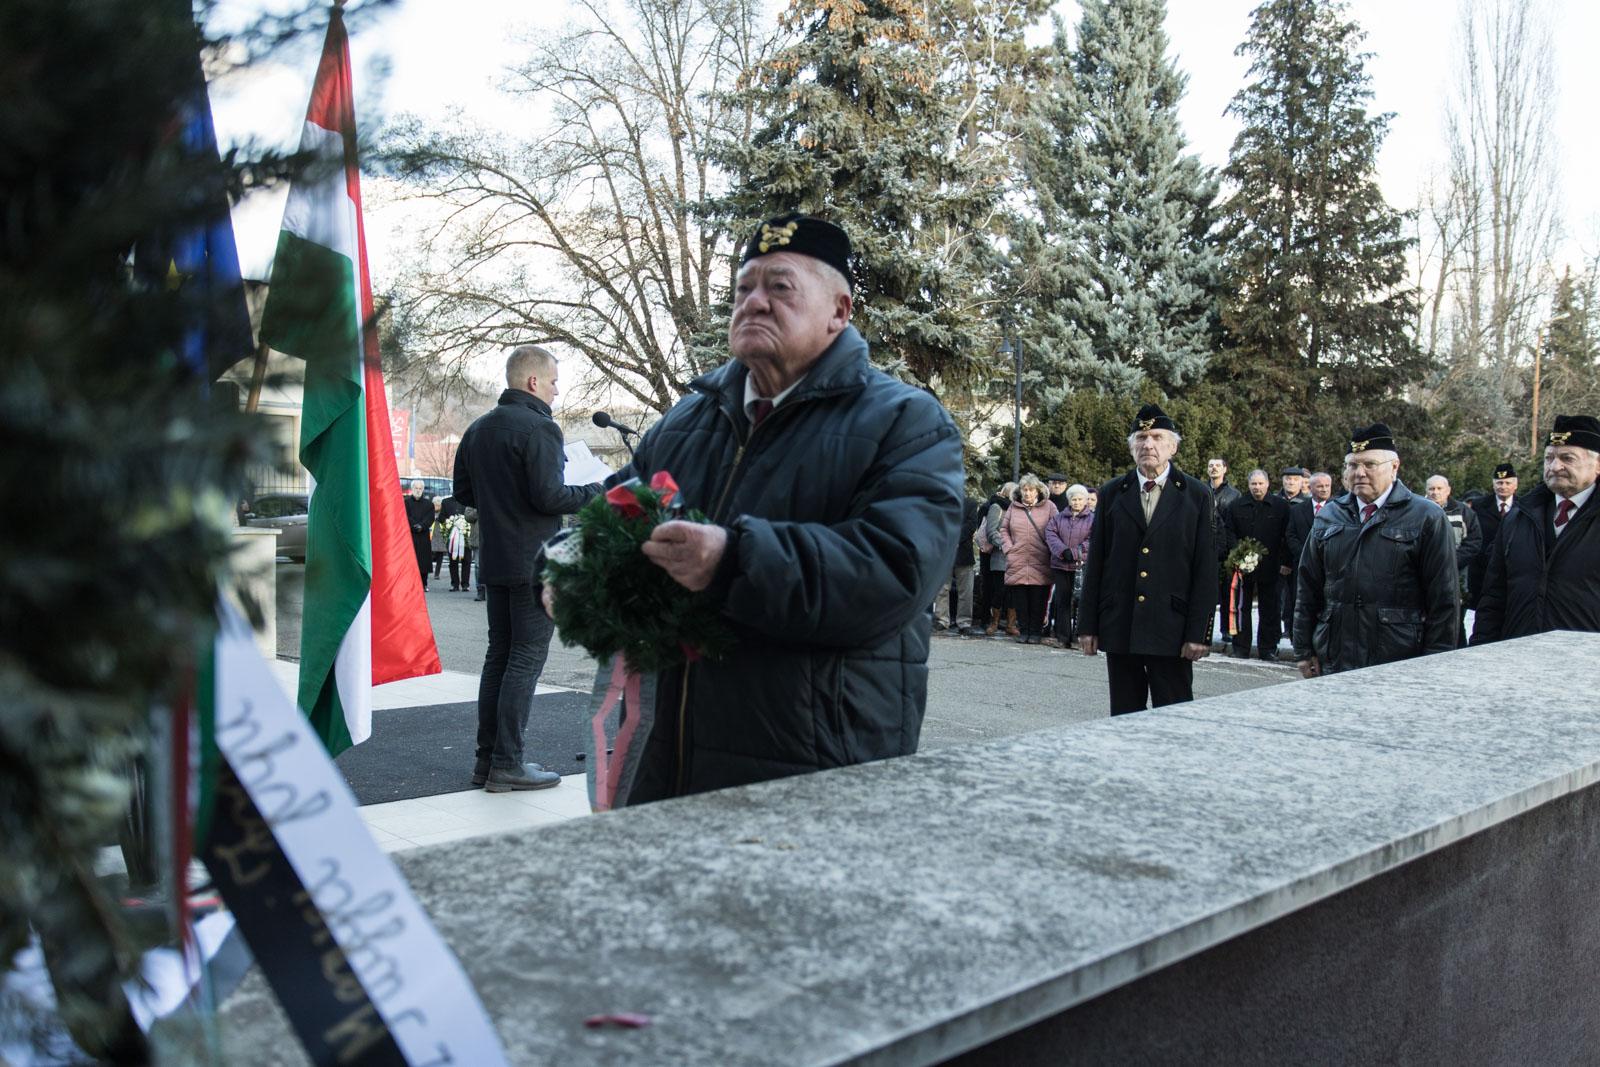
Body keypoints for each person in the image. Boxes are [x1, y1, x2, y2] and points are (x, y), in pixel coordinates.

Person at [578, 212, 964, 802]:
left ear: (839, 311)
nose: (754, 303)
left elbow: (895, 571)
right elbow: (611, 516)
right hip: (667, 762)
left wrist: (733, 561)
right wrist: (567, 569)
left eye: (779, 287)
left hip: (815, 768)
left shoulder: (906, 423)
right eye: (743, 289)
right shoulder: (687, 420)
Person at [455, 345, 603, 792]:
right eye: (555, 382)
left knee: (498, 658)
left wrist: (502, 506)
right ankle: (508, 763)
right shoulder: (540, 427)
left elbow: (464, 491)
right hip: (534, 561)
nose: (557, 392)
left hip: (496, 559)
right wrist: (596, 488)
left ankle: (487, 762)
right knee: (524, 661)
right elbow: (549, 497)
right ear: (534, 382)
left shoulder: (478, 429)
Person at [1293, 423, 1458, 677]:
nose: (1359, 473)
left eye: (1369, 464)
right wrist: (1304, 649)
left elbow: (1443, 599)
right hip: (1336, 658)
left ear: (1394, 467)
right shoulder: (1329, 516)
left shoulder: (1426, 517)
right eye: (1352, 465)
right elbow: (1308, 587)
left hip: (1399, 661)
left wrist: (1434, 663)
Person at [1078, 404, 1214, 714]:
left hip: (1171, 628)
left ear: (1173, 446)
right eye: (1140, 438)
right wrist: (1088, 625)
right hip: (1121, 624)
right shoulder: (1113, 492)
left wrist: (1199, 632)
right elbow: (1097, 560)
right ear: (1131, 447)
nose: (1148, 444)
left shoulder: (1195, 495)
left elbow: (1205, 568)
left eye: (1156, 437)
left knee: (1174, 714)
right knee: (1125, 716)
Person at [1472, 415, 1600, 643]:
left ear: (1597, 465)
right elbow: (1494, 598)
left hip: (1587, 667)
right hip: (1521, 662)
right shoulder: (1519, 519)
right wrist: (1480, 655)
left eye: (1567, 458)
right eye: (1549, 458)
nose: (1555, 466)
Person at [1223, 469, 1291, 660]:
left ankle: (1268, 648)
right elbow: (1229, 532)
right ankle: (1240, 647)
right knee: (1241, 607)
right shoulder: (1236, 506)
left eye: (1261, 484)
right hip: (1243, 566)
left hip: (1271, 566)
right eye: (1254, 484)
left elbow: (1287, 535)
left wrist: (1285, 562)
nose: (1257, 487)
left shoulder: (1281, 507)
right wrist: (1238, 554)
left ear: (1268, 484)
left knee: (1270, 608)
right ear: (1248, 484)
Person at [1424, 474, 1482, 646]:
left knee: (1456, 623)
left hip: (1457, 578)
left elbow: (1474, 542)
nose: (1435, 492)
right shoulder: (1418, 511)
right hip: (1426, 576)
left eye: (1439, 488)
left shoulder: (1464, 512)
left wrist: (1451, 562)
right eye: (1431, 489)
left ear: (1448, 490)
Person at [999, 474, 1058, 644]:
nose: (1027, 493)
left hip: (1041, 558)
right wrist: (1009, 548)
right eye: (1024, 490)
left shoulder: (1050, 507)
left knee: (1038, 598)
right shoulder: (1013, 507)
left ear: (1038, 491)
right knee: (1020, 599)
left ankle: (1035, 632)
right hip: (1017, 558)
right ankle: (1024, 631)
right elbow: (1004, 530)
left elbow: (1056, 528)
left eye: (1031, 490)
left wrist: (1051, 548)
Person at [1282, 470, 1333, 641]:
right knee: (1301, 601)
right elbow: (1290, 535)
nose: (1324, 489)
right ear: (1310, 488)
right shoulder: (1298, 510)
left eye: (1327, 486)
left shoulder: (1339, 509)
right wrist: (1304, 554)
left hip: (1330, 566)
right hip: (1303, 565)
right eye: (1320, 486)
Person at [1043, 483, 1094, 647]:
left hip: (1081, 565)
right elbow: (1050, 534)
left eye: (1080, 499)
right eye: (1074, 499)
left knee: (1081, 602)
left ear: (1085, 500)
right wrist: (1062, 550)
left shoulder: (1093, 519)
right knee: (1062, 601)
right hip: (1060, 564)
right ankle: (1063, 637)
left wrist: (1075, 552)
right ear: (1069, 500)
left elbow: (1094, 539)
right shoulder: (1058, 518)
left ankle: (1078, 637)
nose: (1077, 502)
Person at [1466, 462, 1519, 612]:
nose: (1503, 486)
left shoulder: (1523, 506)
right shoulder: (1479, 505)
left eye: (1507, 482)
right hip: (1482, 570)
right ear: (1493, 484)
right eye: (1499, 482)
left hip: (1511, 568)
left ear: (1515, 485)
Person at [935, 496, 983, 635]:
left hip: (963, 553)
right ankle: (942, 620)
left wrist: (954, 538)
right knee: (942, 589)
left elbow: (972, 524)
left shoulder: (971, 503)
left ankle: (964, 622)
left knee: (966, 591)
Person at [1206, 457, 1241, 645]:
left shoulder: (1234, 495)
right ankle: (1206, 630)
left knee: (1228, 594)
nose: (1214, 469)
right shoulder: (1201, 491)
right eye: (1210, 466)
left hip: (1226, 551)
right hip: (1206, 548)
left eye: (1217, 465)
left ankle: (1227, 630)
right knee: (1206, 595)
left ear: (1225, 469)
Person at [981, 481, 1019, 636]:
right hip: (1000, 556)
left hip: (1016, 557)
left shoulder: (1017, 509)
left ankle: (1010, 625)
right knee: (999, 591)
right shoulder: (997, 507)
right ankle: (994, 622)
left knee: (1013, 593)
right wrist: (1005, 546)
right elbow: (991, 531)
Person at [402, 480, 433, 591]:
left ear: (423, 489)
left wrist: (422, 526)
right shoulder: (406, 503)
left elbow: (430, 517)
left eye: (420, 488)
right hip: (411, 535)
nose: (418, 490)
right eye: (416, 488)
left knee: (423, 561)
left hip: (423, 535)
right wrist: (414, 525)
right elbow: (405, 516)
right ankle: (411, 583)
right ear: (412, 489)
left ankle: (424, 583)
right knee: (411, 560)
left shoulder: (429, 504)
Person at [429, 496, 447, 580]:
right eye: (435, 505)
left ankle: (437, 573)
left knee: (440, 557)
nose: (437, 506)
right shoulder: (429, 512)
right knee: (430, 555)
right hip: (431, 537)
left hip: (440, 537)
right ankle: (428, 571)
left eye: (438, 505)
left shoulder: (443, 512)